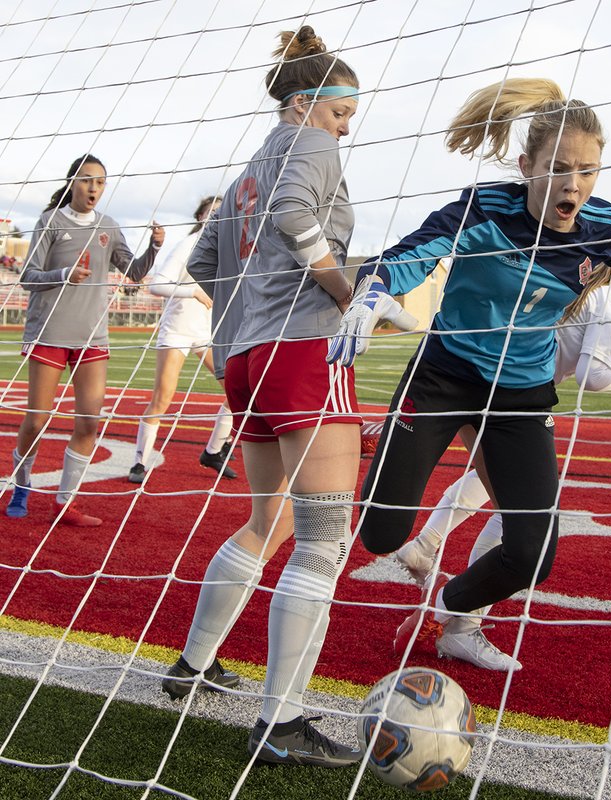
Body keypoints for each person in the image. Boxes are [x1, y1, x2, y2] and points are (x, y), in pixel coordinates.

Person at [328, 78, 611, 677]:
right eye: (560, 168)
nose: (574, 184)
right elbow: (414, 251)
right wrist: (375, 289)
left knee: (531, 557)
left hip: (522, 391)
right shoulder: (484, 208)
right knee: (382, 534)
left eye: (588, 171)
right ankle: (419, 560)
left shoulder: (599, 222)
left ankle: (446, 612)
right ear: (526, 166)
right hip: (445, 374)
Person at [164, 26, 401, 769]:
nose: (347, 123)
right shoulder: (309, 145)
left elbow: (205, 256)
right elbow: (300, 215)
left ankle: (192, 665)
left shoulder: (243, 174)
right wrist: (347, 290)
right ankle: (282, 722)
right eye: (341, 109)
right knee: (323, 540)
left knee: (267, 522)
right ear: (304, 102)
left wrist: (242, 324)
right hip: (302, 351)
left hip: (249, 359)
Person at [395, 264, 611, 670]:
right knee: (524, 514)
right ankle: (455, 618)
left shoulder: (600, 297)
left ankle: (429, 552)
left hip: (480, 378)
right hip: (507, 392)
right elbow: (592, 374)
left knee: (501, 490)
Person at [5, 154, 164, 525]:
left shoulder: (109, 226)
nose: (93, 188)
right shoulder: (49, 221)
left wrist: (154, 246)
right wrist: (65, 274)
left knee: (89, 423)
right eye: (86, 180)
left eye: (100, 183)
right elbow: (28, 277)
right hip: (49, 334)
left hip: (92, 337)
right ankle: (22, 485)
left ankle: (66, 503)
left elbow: (135, 273)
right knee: (37, 420)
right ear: (72, 182)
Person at [128, 196, 237, 484]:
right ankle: (139, 463)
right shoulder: (188, 244)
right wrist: (194, 293)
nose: (217, 216)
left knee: (236, 391)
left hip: (206, 333)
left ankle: (214, 451)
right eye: (212, 212)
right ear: (201, 216)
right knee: (162, 398)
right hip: (176, 329)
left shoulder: (226, 250)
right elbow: (157, 284)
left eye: (221, 212)